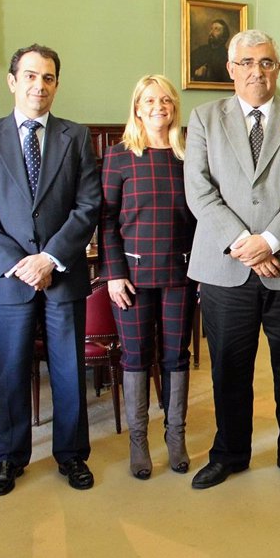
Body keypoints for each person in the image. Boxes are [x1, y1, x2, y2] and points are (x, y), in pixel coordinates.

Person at [185, 29, 280, 490]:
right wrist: (245, 243)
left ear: (277, 68)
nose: (256, 71)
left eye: (265, 62)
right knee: (228, 368)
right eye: (246, 63)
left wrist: (270, 240)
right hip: (226, 267)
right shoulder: (205, 118)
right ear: (230, 69)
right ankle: (228, 454)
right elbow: (200, 192)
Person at [0, 44, 101, 496]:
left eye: (49, 78)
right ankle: (10, 459)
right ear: (12, 80)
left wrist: (49, 259)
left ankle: (72, 455)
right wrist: (21, 265)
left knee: (67, 371)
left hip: (62, 274)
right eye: (31, 76)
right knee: (12, 372)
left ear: (57, 84)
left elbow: (88, 205)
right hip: (8, 279)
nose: (39, 85)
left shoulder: (76, 137)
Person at [99, 74, 198, 480]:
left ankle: (176, 437)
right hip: (132, 278)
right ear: (137, 107)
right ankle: (139, 442)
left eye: (167, 101)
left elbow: (200, 218)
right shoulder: (119, 157)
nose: (159, 107)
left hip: (179, 273)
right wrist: (113, 274)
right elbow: (105, 220)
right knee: (136, 357)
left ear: (174, 108)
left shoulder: (188, 156)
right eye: (150, 100)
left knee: (176, 357)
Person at [190, 18, 231, 83]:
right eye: (211, 29)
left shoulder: (228, 56)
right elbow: (187, 66)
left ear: (224, 35)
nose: (211, 32)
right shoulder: (201, 50)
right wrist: (195, 71)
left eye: (216, 29)